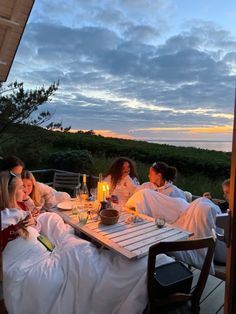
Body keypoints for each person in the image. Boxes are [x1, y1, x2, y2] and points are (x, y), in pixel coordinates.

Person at [1, 171, 173, 314]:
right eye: (21, 188)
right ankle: (132, 276)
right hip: (38, 258)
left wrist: (33, 221)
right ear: (9, 192)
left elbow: (34, 224)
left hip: (50, 248)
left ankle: (144, 267)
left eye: (26, 187)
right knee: (91, 264)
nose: (26, 190)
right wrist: (24, 219)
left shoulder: (20, 207)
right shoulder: (8, 216)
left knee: (85, 250)